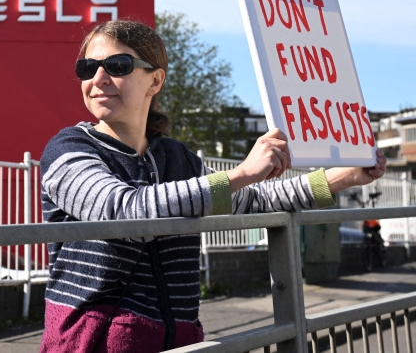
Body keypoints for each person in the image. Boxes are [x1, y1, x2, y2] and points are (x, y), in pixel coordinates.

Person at [40, 19, 386, 353]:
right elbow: (121, 212)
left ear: (155, 80)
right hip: (88, 343)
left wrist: (346, 176)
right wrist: (242, 173)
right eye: (88, 67)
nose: (99, 78)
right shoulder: (68, 149)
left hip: (180, 342)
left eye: (117, 65)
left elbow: (256, 201)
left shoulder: (177, 157)